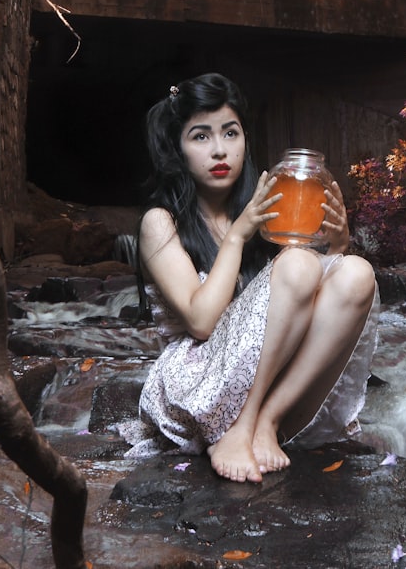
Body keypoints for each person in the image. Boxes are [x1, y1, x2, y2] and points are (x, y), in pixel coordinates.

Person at [126, 72, 378, 483]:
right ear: (178, 148)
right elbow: (202, 321)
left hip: (268, 387)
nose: (220, 149)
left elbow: (306, 305)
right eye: (201, 137)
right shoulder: (161, 222)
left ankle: (265, 423)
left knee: (356, 273)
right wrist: (239, 235)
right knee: (297, 264)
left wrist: (337, 243)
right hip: (196, 387)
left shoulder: (271, 211)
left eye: (230, 132)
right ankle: (240, 429)